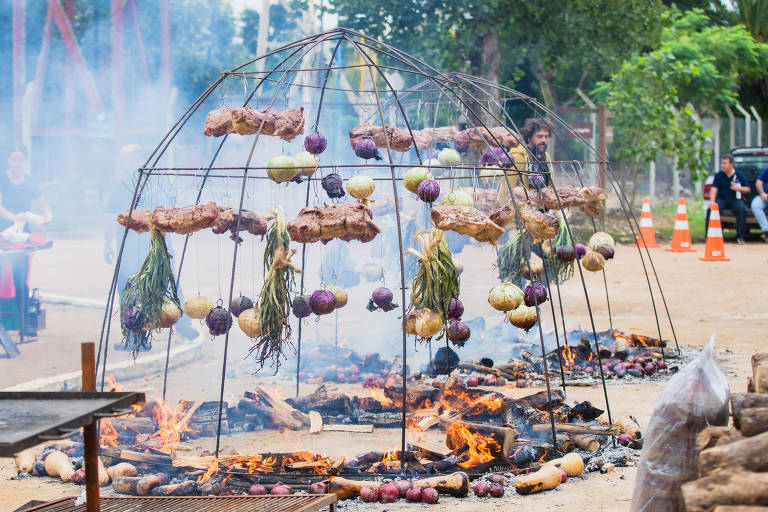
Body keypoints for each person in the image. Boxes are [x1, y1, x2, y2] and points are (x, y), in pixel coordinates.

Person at [104, 144, 199, 345]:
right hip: (157, 248)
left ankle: (136, 337)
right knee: (165, 283)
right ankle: (178, 326)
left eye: (125, 158)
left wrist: (107, 246)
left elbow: (109, 219)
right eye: (120, 159)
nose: (121, 163)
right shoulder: (158, 184)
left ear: (138, 159)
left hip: (140, 250)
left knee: (131, 290)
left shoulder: (126, 186)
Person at [0, 145, 53, 337]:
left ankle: (23, 324)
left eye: (19, 160)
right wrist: (16, 217)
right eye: (13, 159)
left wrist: (47, 216)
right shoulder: (2, 179)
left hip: (21, 237)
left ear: (25, 161)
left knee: (21, 280)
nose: (16, 163)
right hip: (2, 233)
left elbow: (43, 205)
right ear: (8, 161)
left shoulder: (30, 182)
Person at [706, 155, 750, 244]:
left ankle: (741, 236)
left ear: (731, 165)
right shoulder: (719, 175)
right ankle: (709, 236)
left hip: (735, 199)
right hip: (722, 200)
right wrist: (712, 202)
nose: (722, 165)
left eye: (725, 163)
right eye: (722, 163)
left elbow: (748, 189)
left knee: (741, 209)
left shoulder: (739, 175)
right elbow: (714, 189)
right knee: (711, 210)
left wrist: (738, 188)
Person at [751, 165, 768, 242]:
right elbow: (758, 182)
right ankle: (766, 230)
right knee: (755, 204)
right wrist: (762, 193)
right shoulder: (767, 170)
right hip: (765, 196)